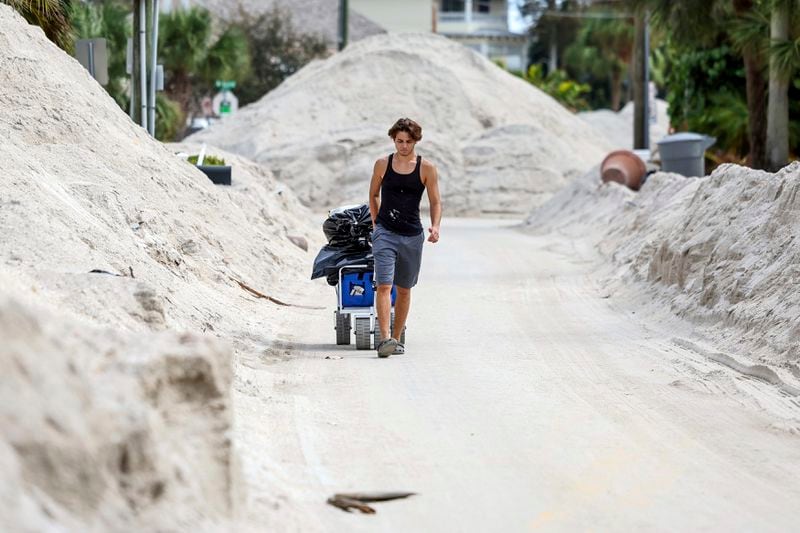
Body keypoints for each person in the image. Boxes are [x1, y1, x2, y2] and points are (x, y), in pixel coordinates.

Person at [368, 118, 442, 357]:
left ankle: (396, 338)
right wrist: (377, 223)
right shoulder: (382, 164)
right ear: (393, 140)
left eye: (408, 142)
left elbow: (435, 201)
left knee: (404, 289)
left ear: (415, 141)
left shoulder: (426, 168)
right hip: (385, 233)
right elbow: (373, 195)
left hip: (412, 235)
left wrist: (436, 226)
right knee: (384, 285)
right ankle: (385, 339)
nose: (403, 146)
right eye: (399, 141)